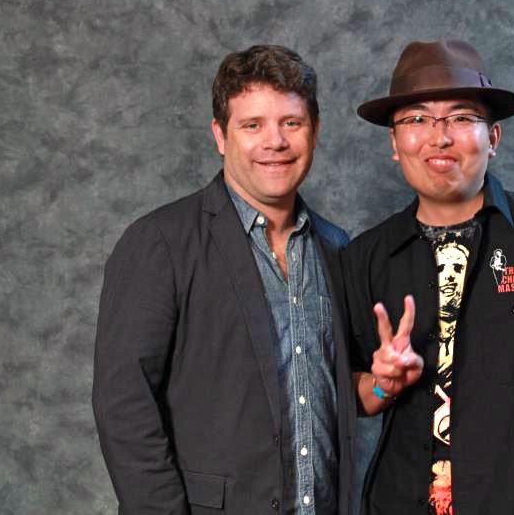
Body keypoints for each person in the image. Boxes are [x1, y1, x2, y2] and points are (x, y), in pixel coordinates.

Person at [92, 45, 356, 514]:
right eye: (252, 125)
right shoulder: (160, 242)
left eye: (290, 123)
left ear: (314, 131)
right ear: (220, 135)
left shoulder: (336, 248)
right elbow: (123, 405)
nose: (274, 141)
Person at [344, 39, 514, 515]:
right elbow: (358, 397)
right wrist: (383, 384)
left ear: (494, 139)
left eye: (461, 118)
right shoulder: (365, 256)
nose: (439, 137)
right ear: (395, 143)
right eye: (417, 119)